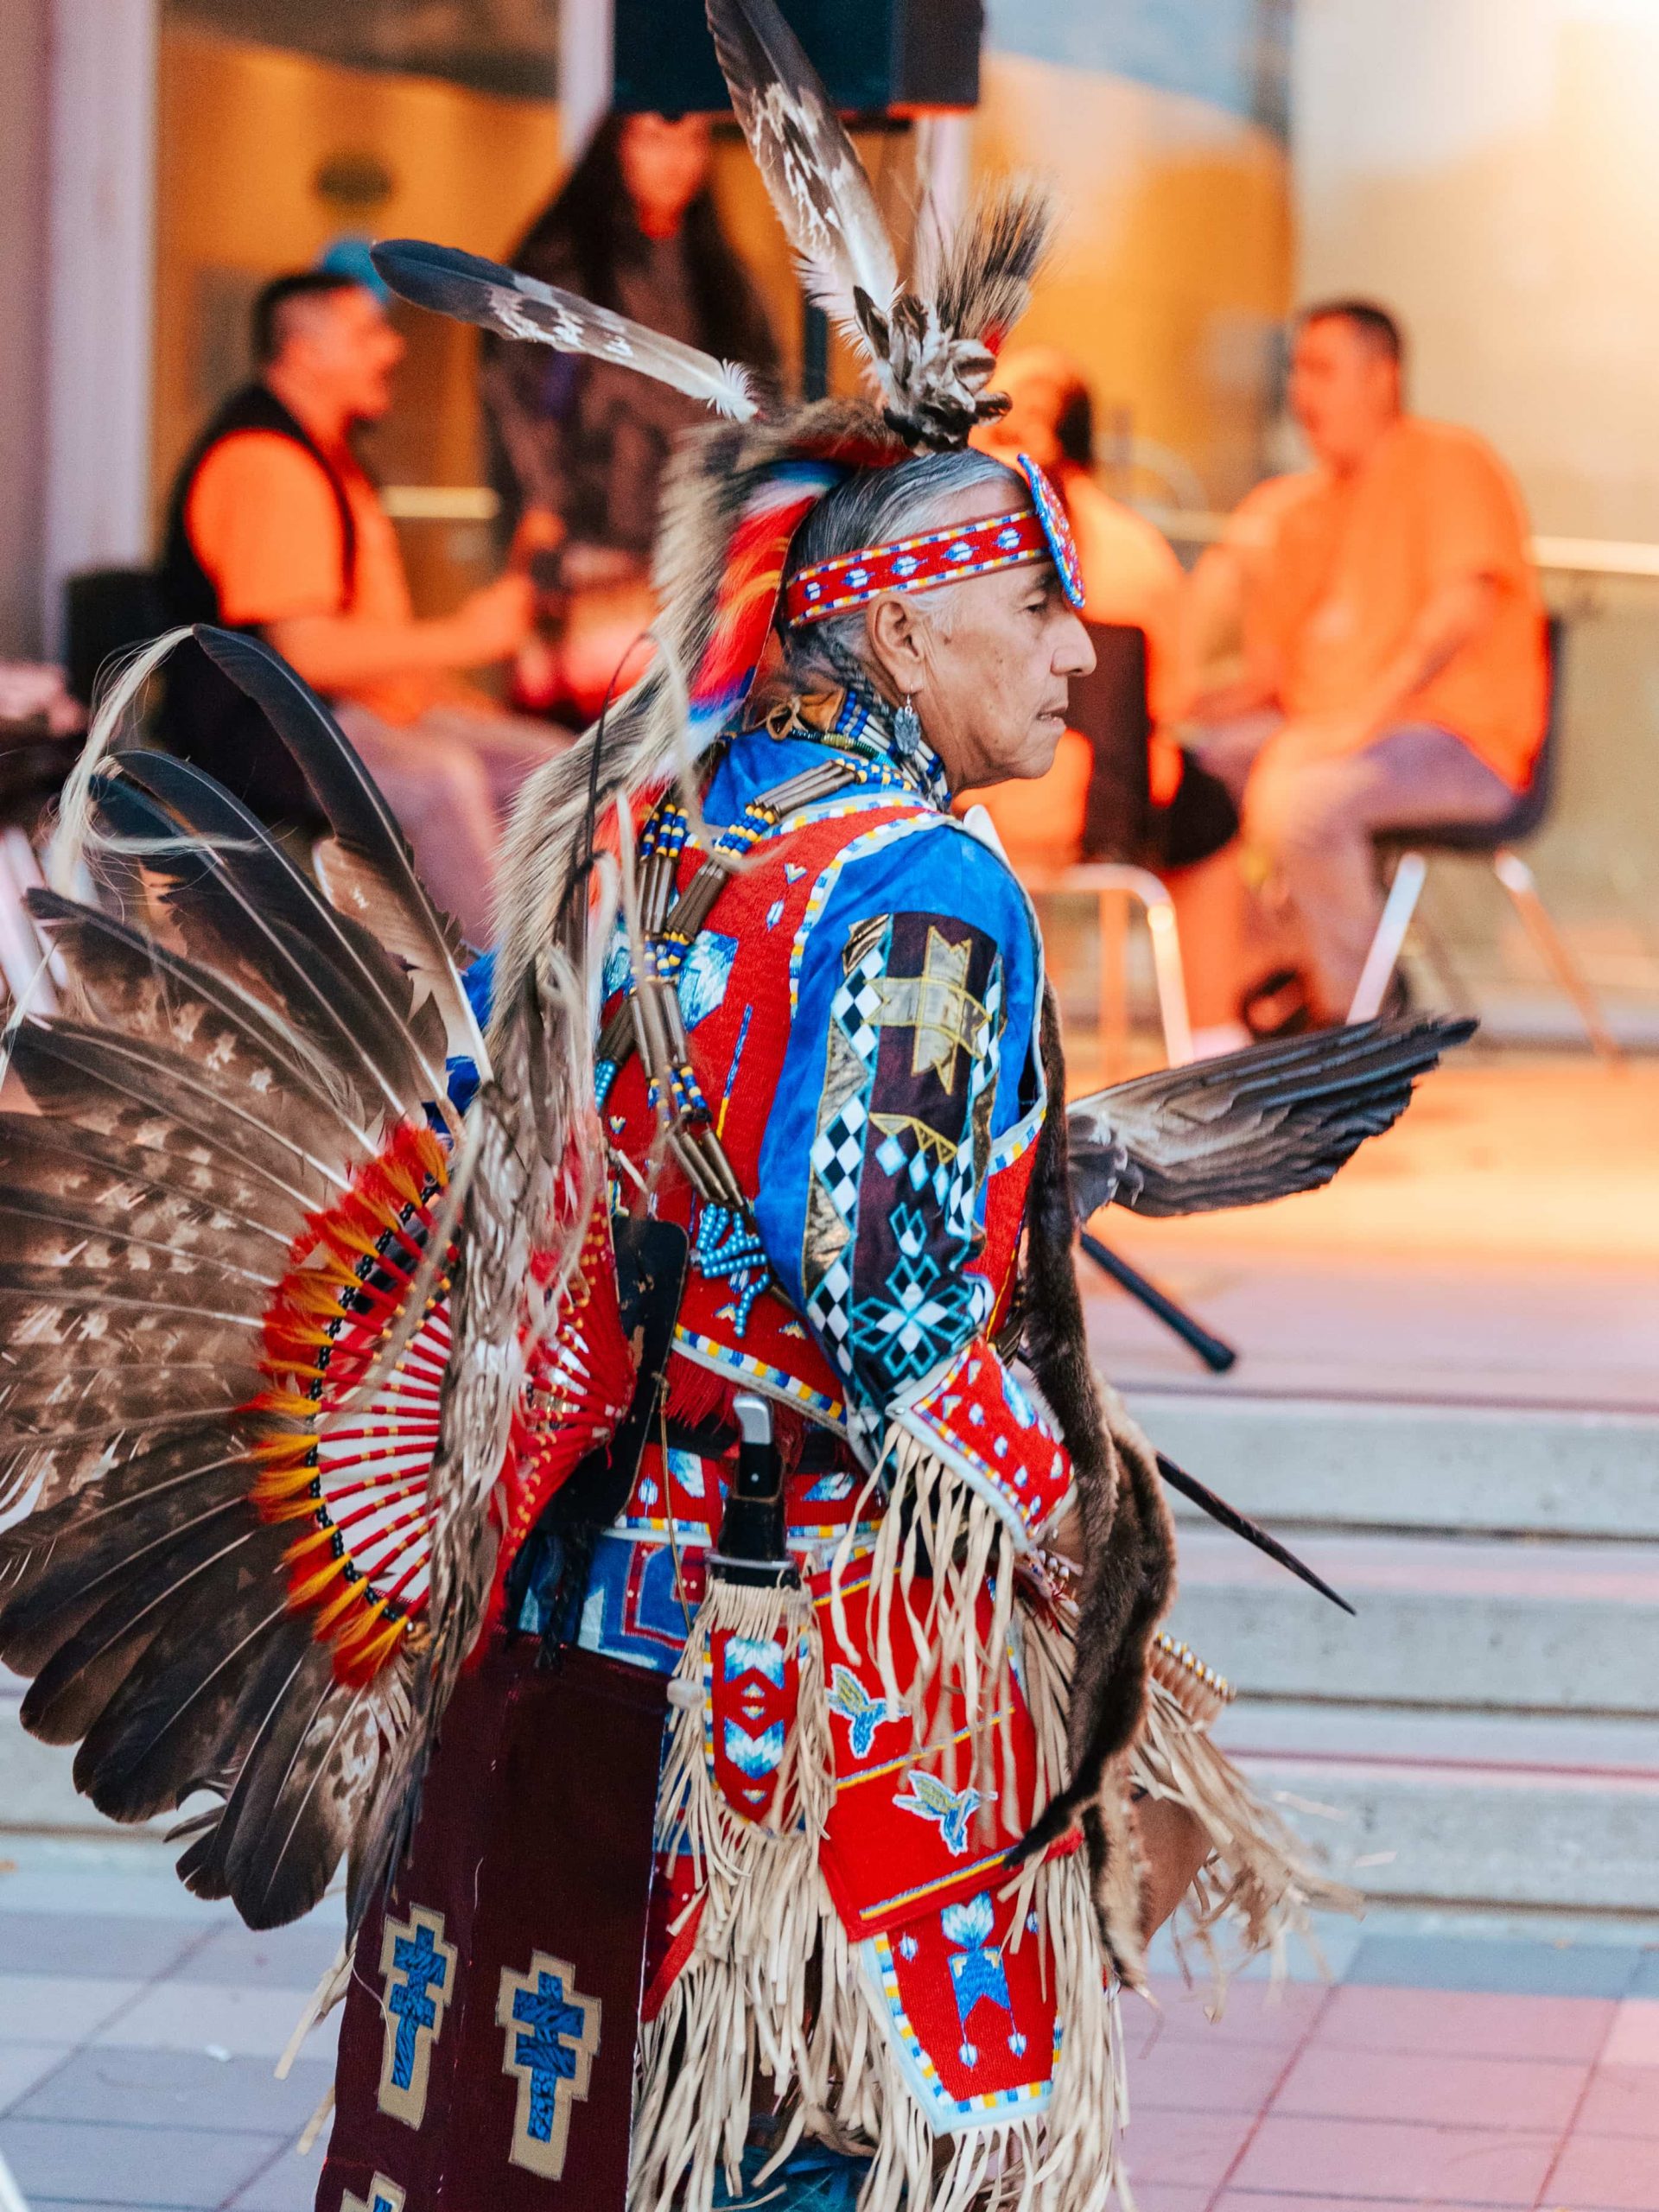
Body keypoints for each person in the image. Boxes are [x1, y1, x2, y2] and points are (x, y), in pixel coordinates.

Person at [0, 17, 1471, 2211]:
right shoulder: (925, 887)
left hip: (612, 1617)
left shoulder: (659, 833)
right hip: (837, 1663)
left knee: (632, 2103)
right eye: (1023, 596)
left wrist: (1039, 1170)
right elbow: (887, 1313)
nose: (1078, 653)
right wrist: (1087, 1565)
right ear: (882, 623)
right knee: (856, 2129)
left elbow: (627, 1158)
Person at [158, 266, 560, 942]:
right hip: (262, 741)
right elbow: (307, 652)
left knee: (558, 768)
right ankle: (505, 1004)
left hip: (346, 712)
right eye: (368, 332)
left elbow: (368, 642)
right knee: (442, 779)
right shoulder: (268, 461)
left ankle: (592, 972)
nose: (394, 348)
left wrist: (459, 698)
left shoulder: (337, 458)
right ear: (303, 350)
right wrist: (468, 635)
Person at [1191, 300, 1548, 1023]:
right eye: (1295, 370)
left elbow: (1461, 611)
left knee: (1302, 801)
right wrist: (1175, 714)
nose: (1300, 392)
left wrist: (1358, 723)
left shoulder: (1449, 460)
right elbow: (1269, 676)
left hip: (1456, 741)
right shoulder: (1301, 506)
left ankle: (1359, 1031)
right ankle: (1264, 995)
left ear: (1382, 377)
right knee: (1203, 769)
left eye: (1321, 369)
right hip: (1326, 732)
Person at [974, 347, 1253, 1052]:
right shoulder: (1135, 547)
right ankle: (1212, 1036)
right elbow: (1176, 698)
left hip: (973, 803)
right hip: (1103, 815)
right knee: (1214, 811)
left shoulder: (952, 537)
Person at [482, 110, 779, 722]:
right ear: (615, 148)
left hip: (702, 555)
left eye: (692, 139)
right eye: (653, 138)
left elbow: (761, 403)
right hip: (590, 553)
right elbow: (518, 399)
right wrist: (545, 513)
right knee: (594, 764)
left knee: (697, 758)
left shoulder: (722, 276)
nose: (675, 158)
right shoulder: (563, 268)